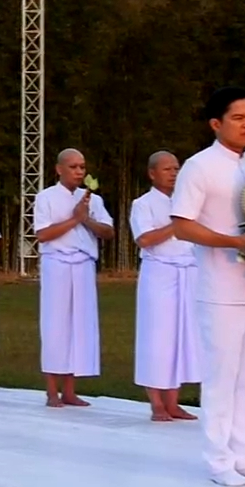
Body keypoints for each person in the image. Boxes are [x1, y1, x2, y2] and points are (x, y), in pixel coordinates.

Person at [170, 87, 245, 487]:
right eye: (238, 118)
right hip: (221, 288)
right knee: (222, 378)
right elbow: (182, 224)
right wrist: (234, 242)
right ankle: (219, 461)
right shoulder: (199, 167)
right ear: (216, 123)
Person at [34, 149, 113, 407]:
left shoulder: (93, 199)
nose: (79, 171)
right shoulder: (45, 197)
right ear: (59, 169)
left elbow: (108, 232)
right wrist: (74, 220)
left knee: (79, 326)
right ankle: (51, 391)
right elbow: (43, 235)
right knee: (55, 325)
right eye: (73, 167)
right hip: (56, 264)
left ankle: (70, 390)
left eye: (82, 167)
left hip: (83, 266)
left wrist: (86, 218)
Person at [132, 150, 200, 422]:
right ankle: (156, 403)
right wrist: (176, 224)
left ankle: (174, 401)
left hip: (187, 272)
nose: (174, 173)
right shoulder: (143, 204)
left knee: (181, 336)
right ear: (152, 173)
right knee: (157, 337)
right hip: (159, 274)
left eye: (176, 168)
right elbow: (145, 239)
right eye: (167, 169)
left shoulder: (189, 202)